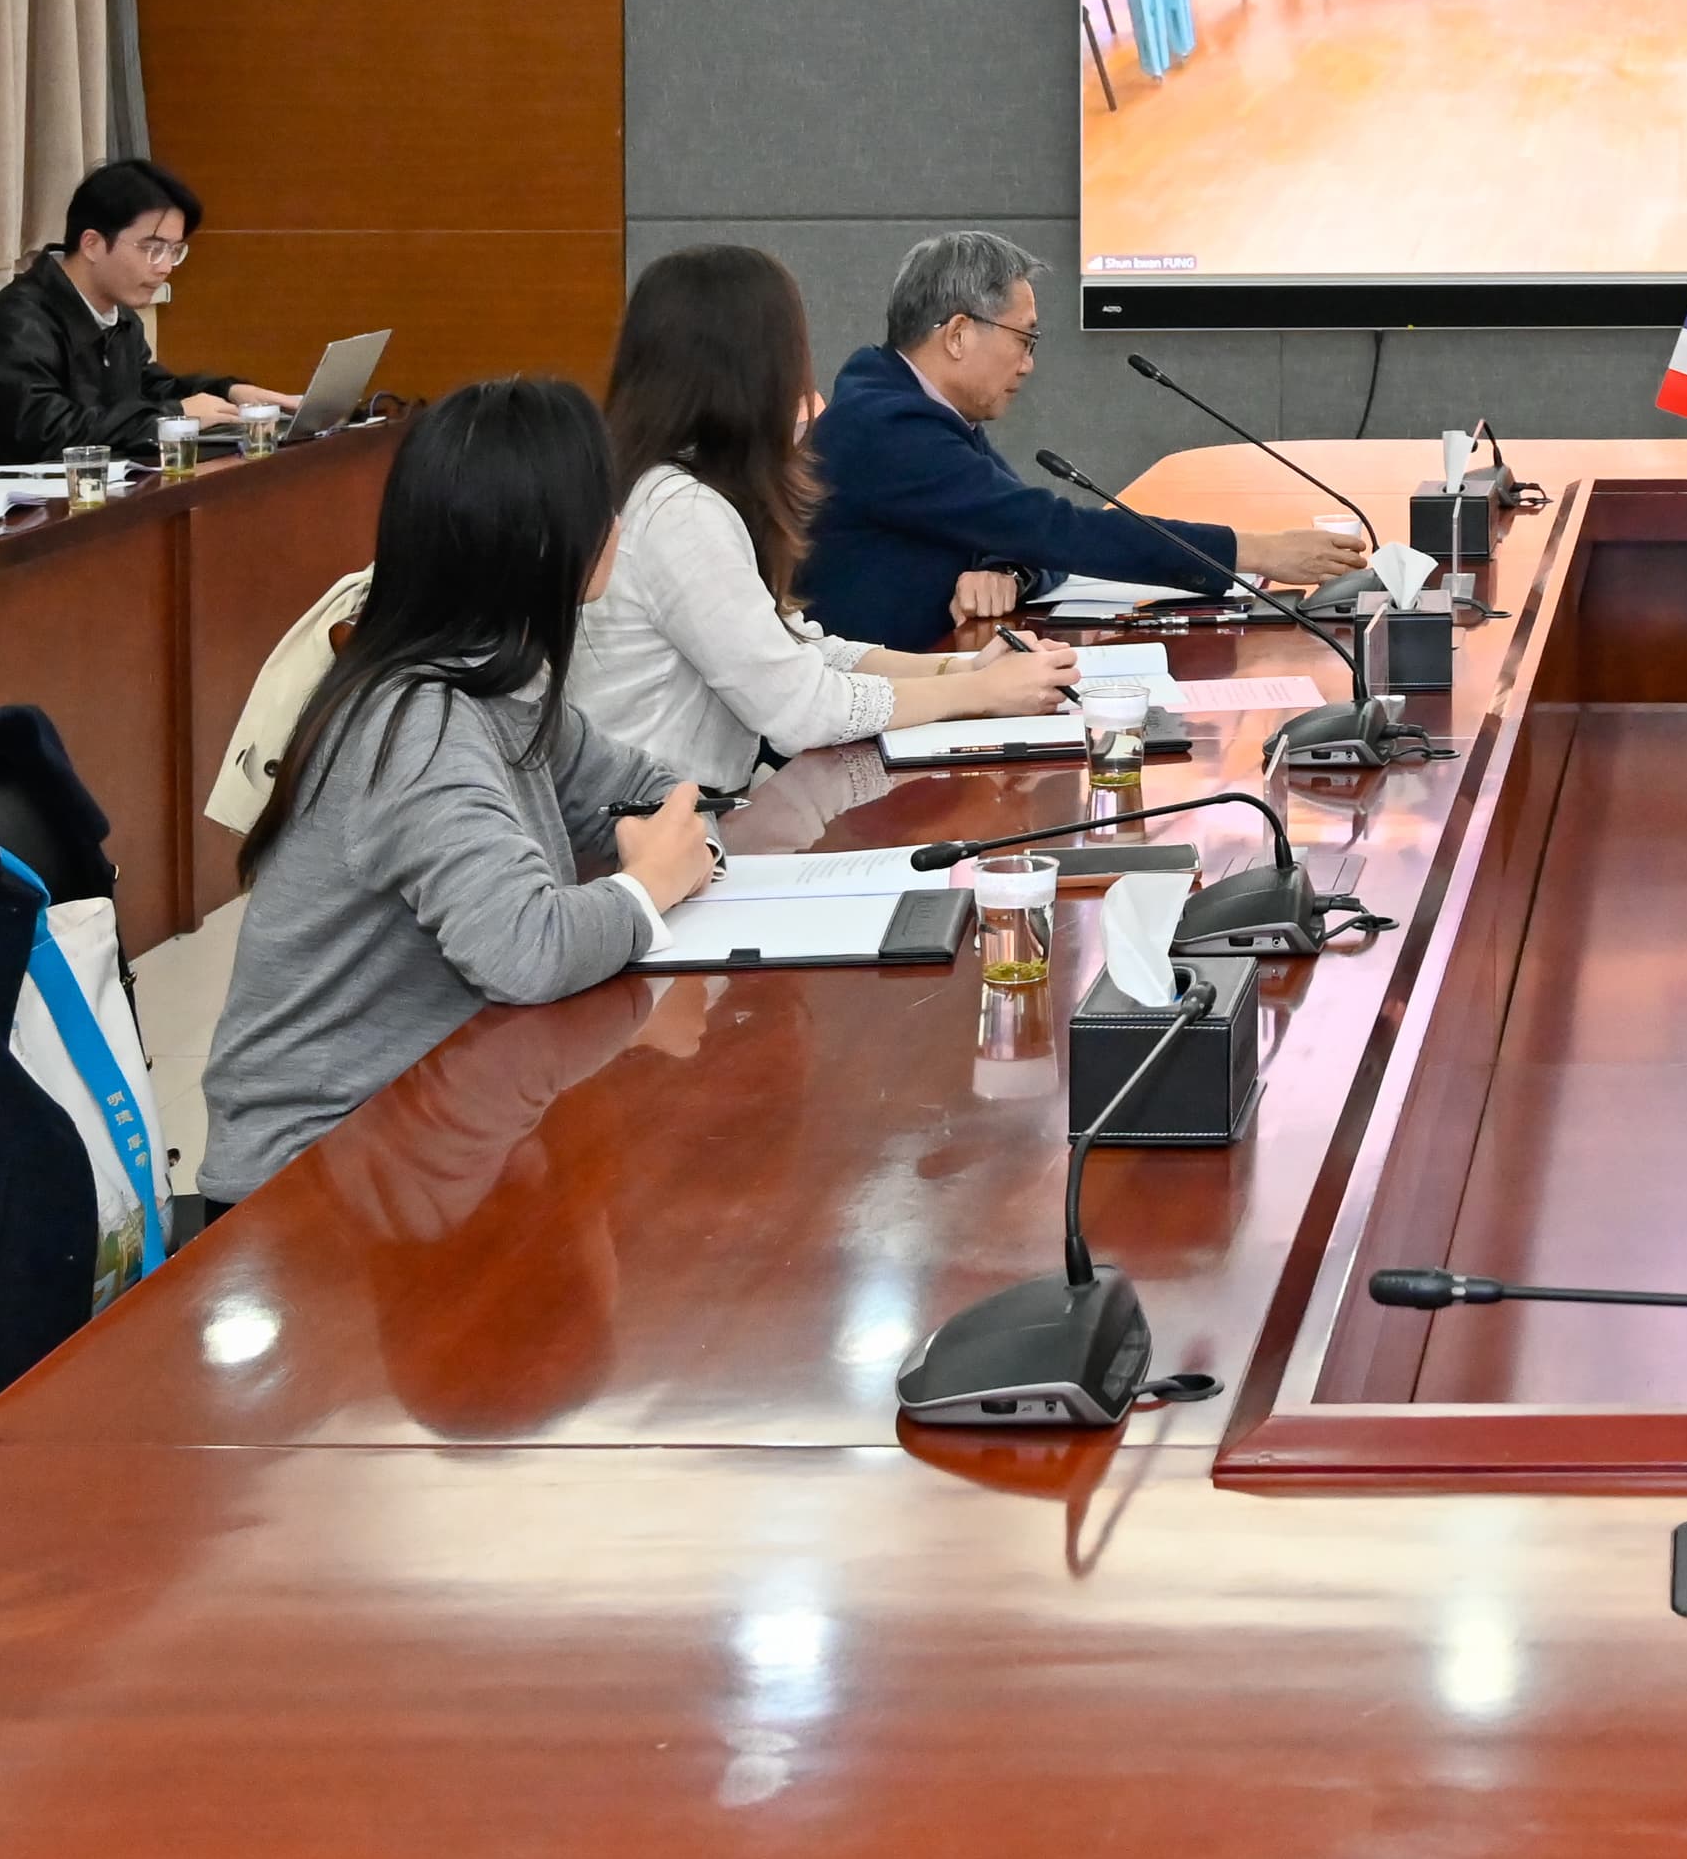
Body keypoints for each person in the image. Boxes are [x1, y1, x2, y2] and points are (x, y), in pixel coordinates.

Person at [190, 376, 723, 1208]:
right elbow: (525, 950)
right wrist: (649, 884)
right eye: (602, 504)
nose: (617, 524)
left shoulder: (496, 681)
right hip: (312, 1181)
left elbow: (663, 794)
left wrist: (681, 844)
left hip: (434, 1130)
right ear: (550, 542)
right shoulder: (420, 721)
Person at [574, 245, 1077, 775]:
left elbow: (804, 649)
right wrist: (979, 692)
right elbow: (800, 708)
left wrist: (964, 668)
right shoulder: (678, 511)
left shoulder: (677, 488)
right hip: (664, 817)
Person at [802, 232, 1367, 649]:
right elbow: (1050, 528)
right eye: (1024, 340)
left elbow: (1023, 535)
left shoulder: (913, 405)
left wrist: (1009, 572)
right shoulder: (889, 428)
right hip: (861, 717)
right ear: (957, 335)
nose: (1028, 364)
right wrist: (1255, 551)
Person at [0, 159, 288, 473]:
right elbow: (51, 434)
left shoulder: (118, 315)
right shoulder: (17, 324)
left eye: (174, 251)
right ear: (92, 244)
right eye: (152, 248)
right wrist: (175, 416)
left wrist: (230, 393)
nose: (164, 267)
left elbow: (147, 389)